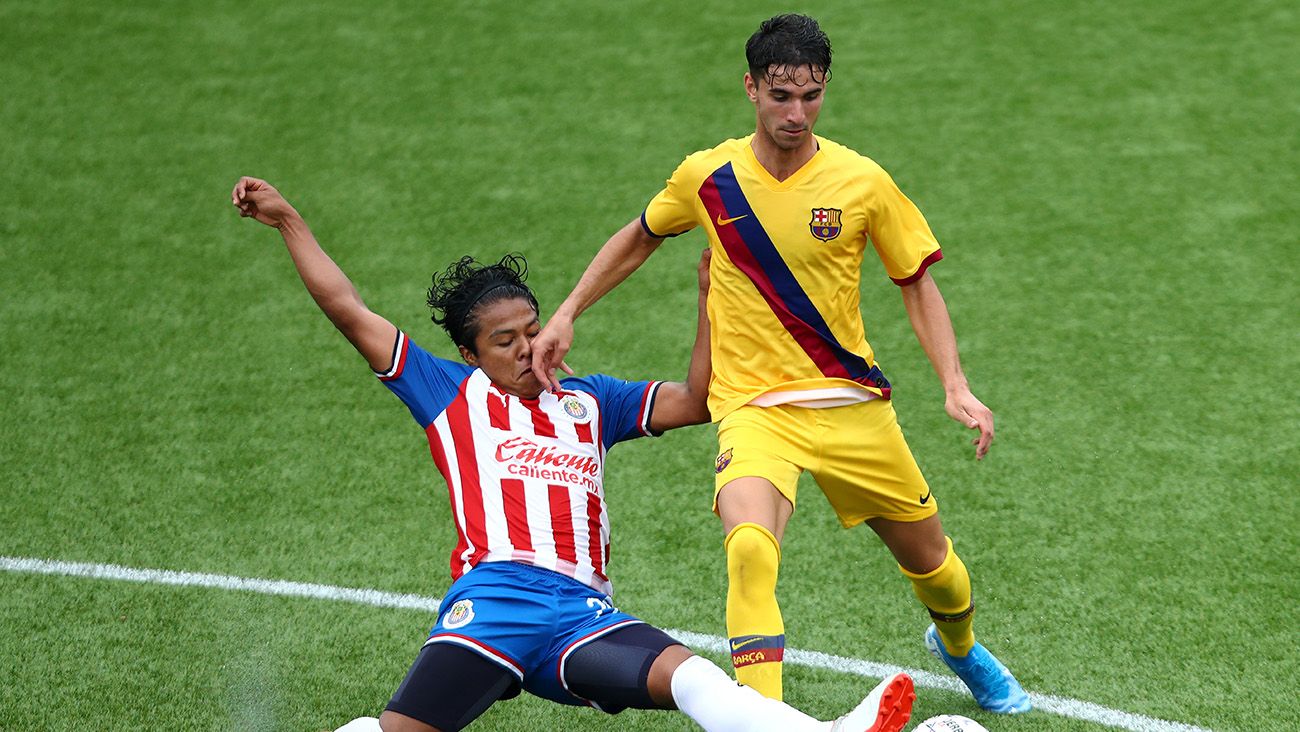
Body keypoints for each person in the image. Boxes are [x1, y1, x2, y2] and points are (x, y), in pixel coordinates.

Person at [230, 176, 917, 732]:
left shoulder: (589, 401)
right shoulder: (448, 391)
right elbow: (347, 307)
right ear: (471, 353)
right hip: (497, 598)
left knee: (691, 676)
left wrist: (710, 301)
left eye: (532, 329)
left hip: (584, 615)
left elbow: (696, 398)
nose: (527, 348)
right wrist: (290, 221)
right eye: (505, 341)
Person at [528, 13, 1031, 715]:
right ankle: (763, 723)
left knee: (936, 569)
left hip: (852, 406)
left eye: (812, 96)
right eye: (781, 95)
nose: (797, 112)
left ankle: (960, 646)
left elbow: (915, 280)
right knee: (750, 551)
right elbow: (640, 236)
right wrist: (567, 311)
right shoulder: (709, 176)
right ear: (751, 88)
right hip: (754, 409)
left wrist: (956, 385)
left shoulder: (861, 181)